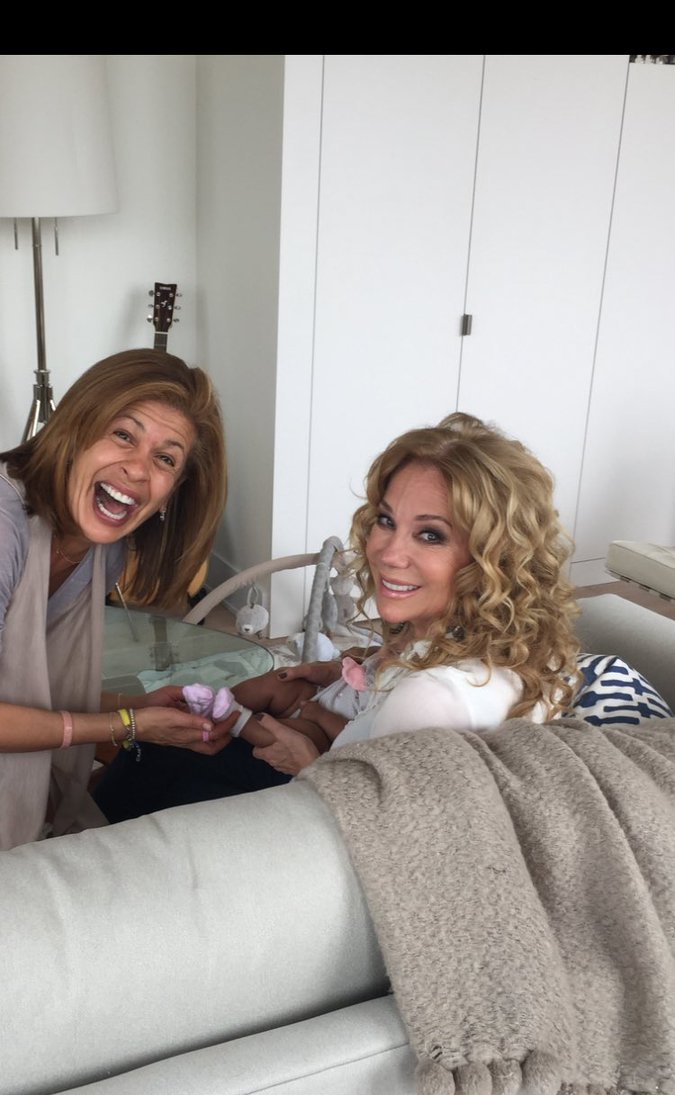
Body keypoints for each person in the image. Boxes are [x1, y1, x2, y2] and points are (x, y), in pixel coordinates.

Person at [93, 411, 582, 822]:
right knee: (178, 741)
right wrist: (350, 666)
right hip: (329, 758)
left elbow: (378, 839)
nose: (387, 552)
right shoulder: (522, 649)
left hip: (304, 810)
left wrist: (309, 765)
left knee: (162, 757)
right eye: (387, 520)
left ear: (494, 555)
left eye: (431, 534)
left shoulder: (430, 699)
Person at [0, 347, 233, 850]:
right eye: (123, 435)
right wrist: (125, 725)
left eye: (165, 458)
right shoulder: (5, 522)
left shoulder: (102, 550)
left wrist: (134, 706)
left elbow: (29, 689)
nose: (138, 469)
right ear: (75, 432)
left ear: (172, 492)